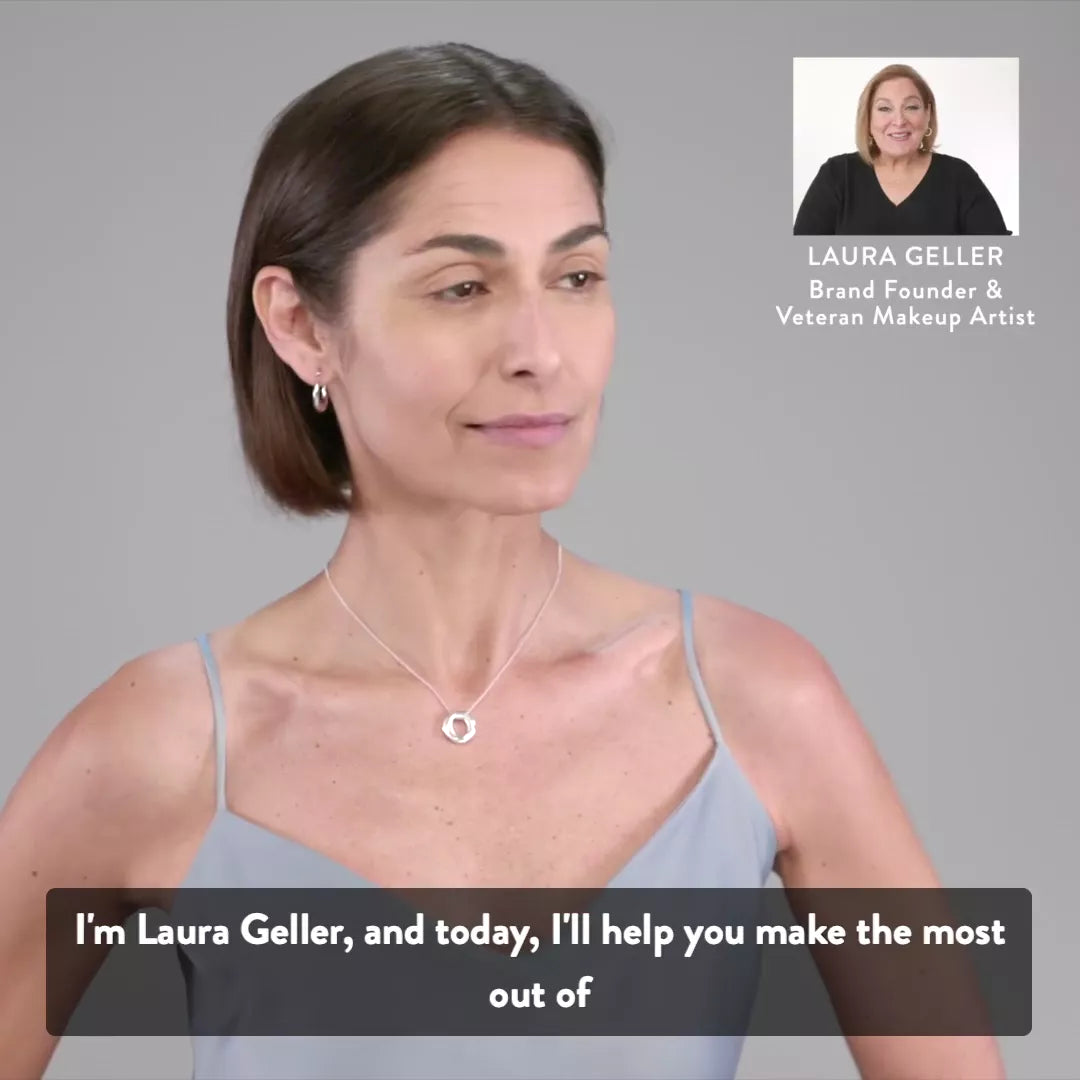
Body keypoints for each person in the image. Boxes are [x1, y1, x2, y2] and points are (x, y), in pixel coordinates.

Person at [0, 43, 1005, 1080]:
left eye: (576, 277)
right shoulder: (158, 746)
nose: (541, 351)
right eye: (462, 287)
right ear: (301, 325)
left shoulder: (758, 701)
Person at [794, 63, 1011, 235]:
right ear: (868, 118)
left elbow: (999, 263)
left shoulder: (959, 177)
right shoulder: (837, 175)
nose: (899, 121)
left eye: (911, 107)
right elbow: (800, 265)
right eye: (884, 108)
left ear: (928, 114)